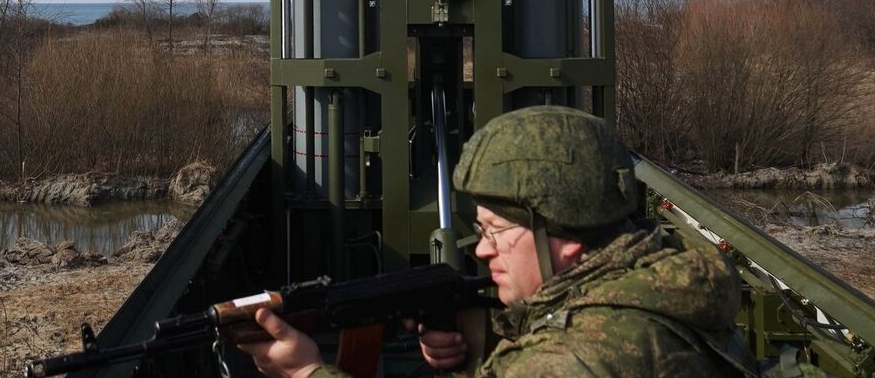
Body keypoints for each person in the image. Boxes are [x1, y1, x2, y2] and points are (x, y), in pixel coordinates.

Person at [237, 106, 747, 378]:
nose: (481, 251)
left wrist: (305, 370)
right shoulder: (656, 280)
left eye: (497, 233)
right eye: (480, 233)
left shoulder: (575, 362)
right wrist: (480, 342)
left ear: (565, 238)